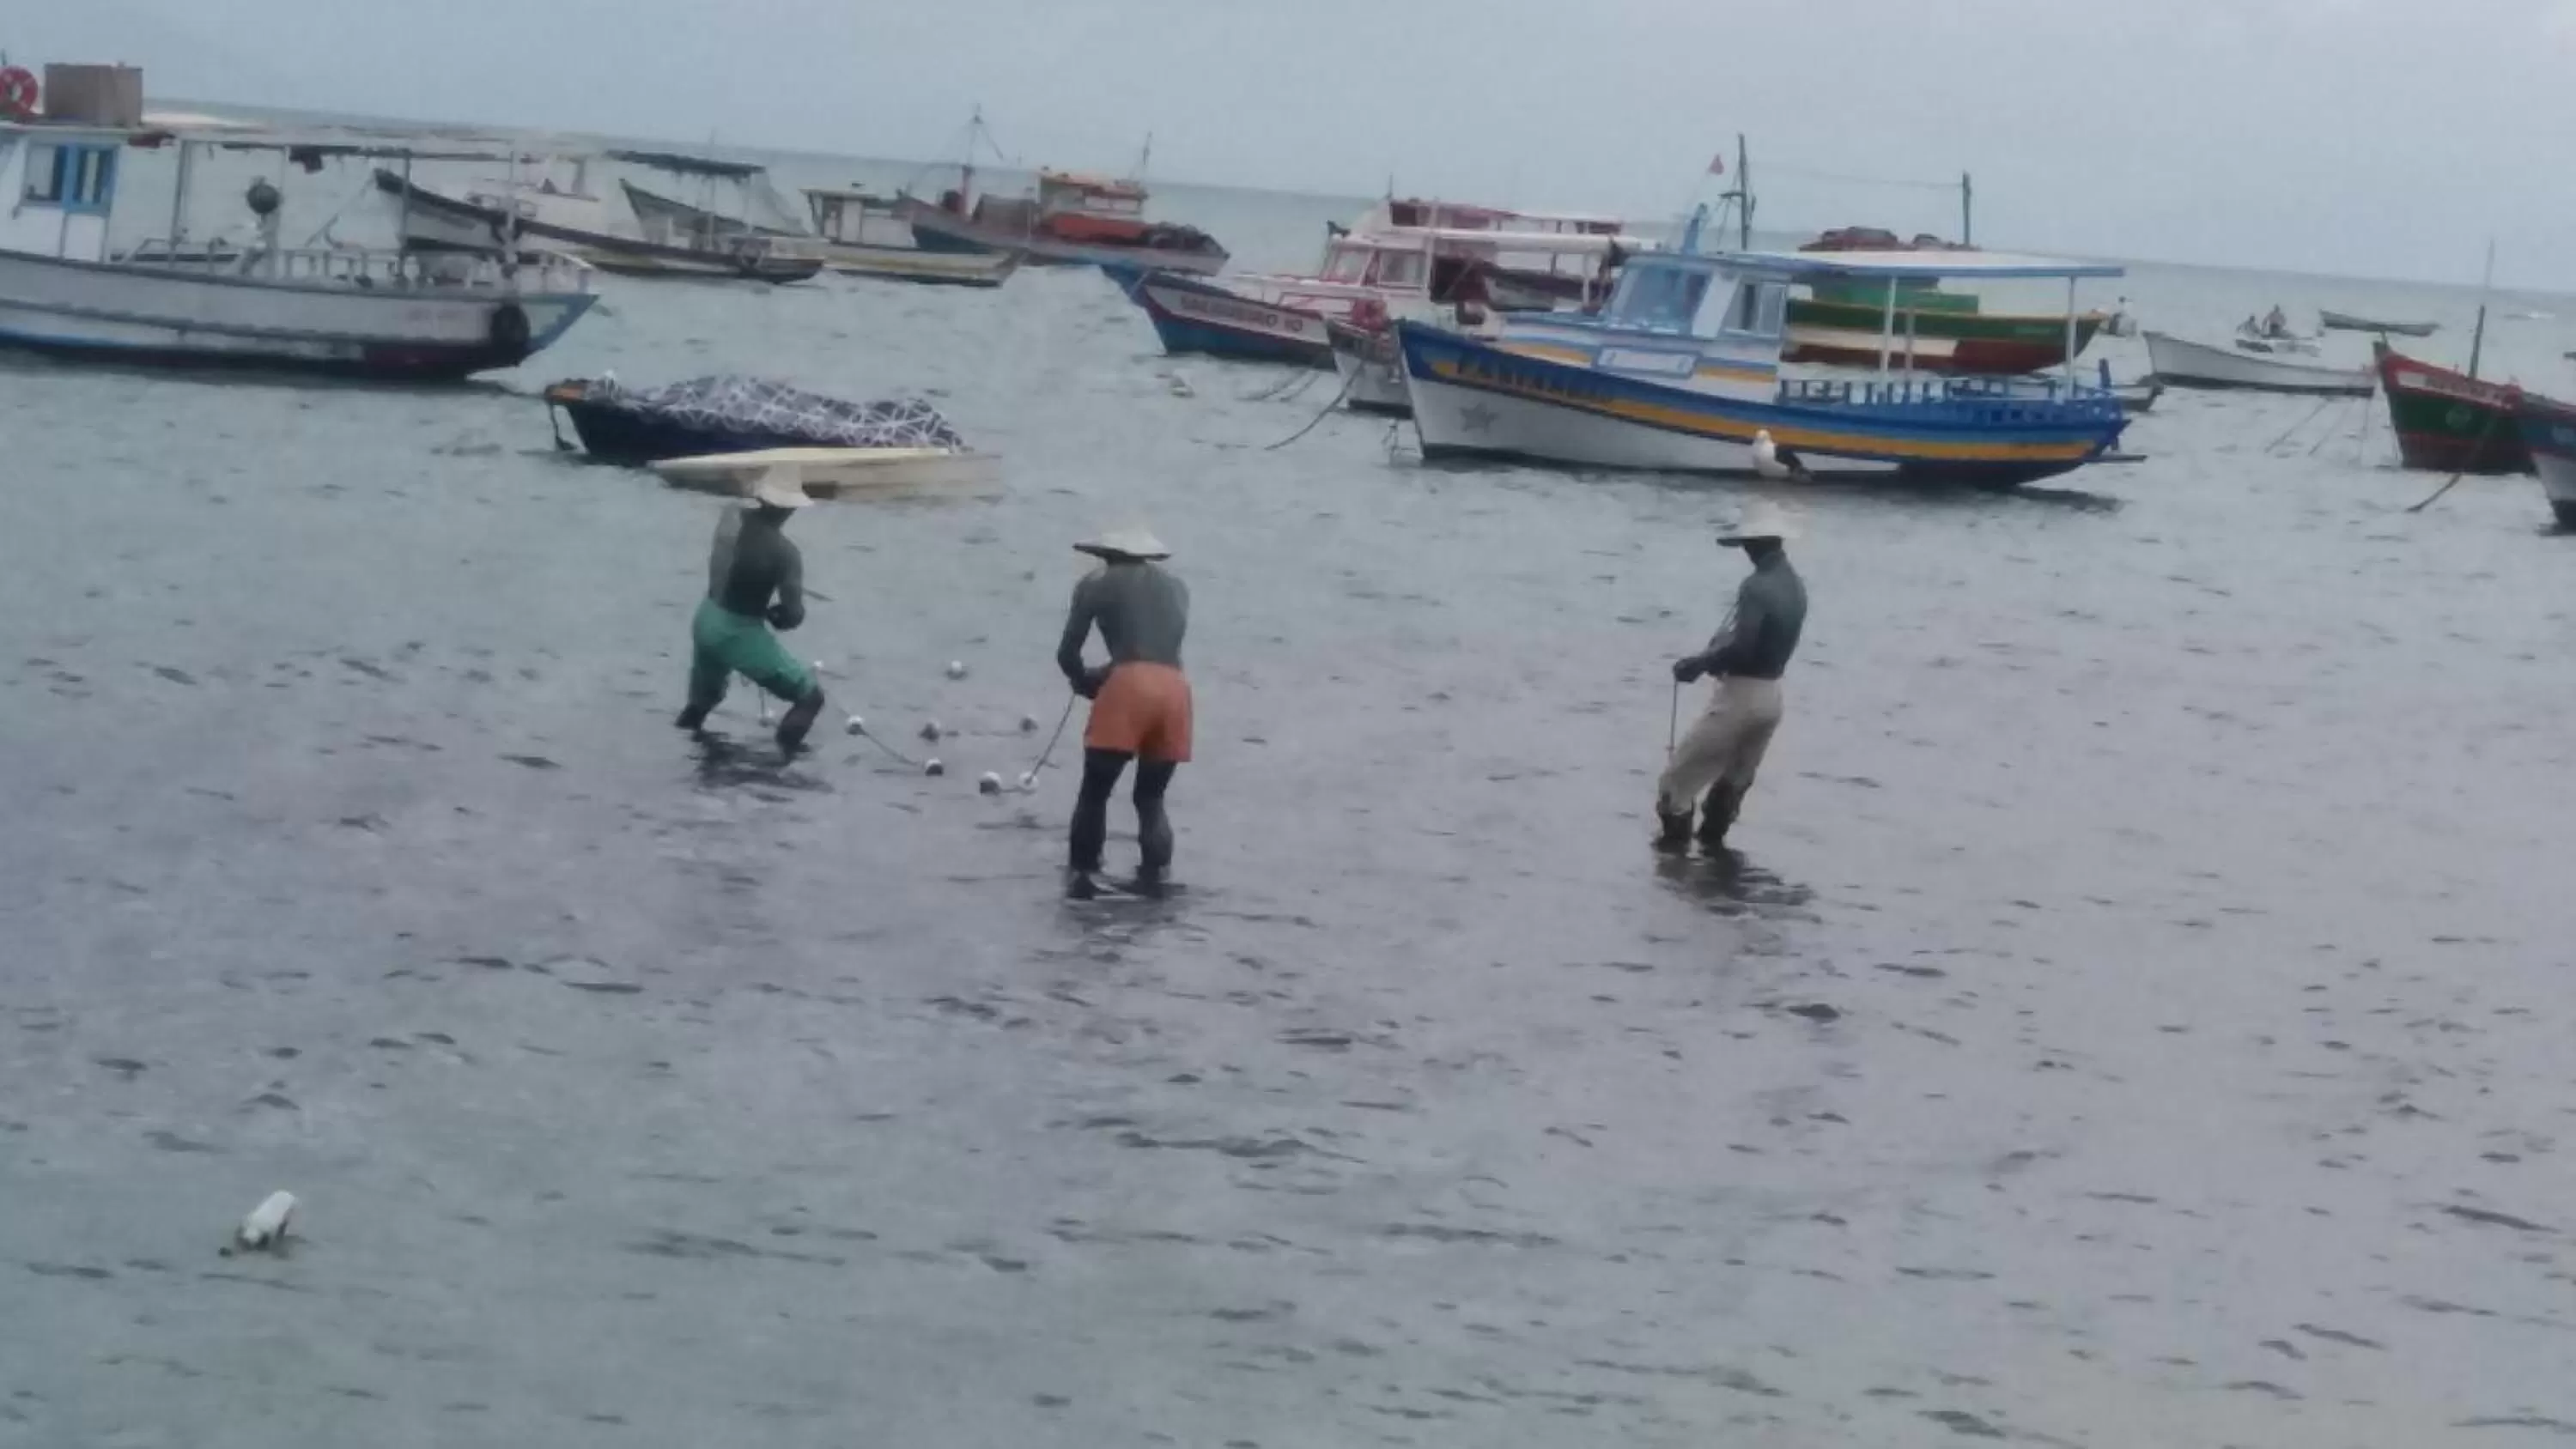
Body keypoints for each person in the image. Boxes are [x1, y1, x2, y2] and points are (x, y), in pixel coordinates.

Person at [1656, 500, 1806, 852]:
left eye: (1747, 544)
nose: (1745, 551)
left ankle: (1674, 873)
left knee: (1675, 785)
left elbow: (1742, 648)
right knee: (1731, 785)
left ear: (1757, 543)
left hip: (1740, 697)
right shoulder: (1795, 586)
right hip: (1772, 698)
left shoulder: (1756, 587)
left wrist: (1699, 664)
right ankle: (1716, 868)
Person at [1056, 525, 1191, 894]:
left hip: (1128, 689)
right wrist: (1111, 673)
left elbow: (1067, 654)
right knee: (1151, 798)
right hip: (1175, 688)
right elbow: (1153, 651)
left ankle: (1083, 878)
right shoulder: (1178, 589)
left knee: (1095, 792)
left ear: (1107, 555)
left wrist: (1084, 681)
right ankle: (1156, 881)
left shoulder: (1095, 584)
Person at [674, 468, 826, 751]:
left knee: (699, 705)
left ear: (761, 496)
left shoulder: (729, 516)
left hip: (706, 618)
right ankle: (782, 763)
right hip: (737, 632)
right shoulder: (786, 552)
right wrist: (780, 614)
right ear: (791, 508)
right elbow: (792, 616)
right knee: (811, 698)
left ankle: (681, 748)